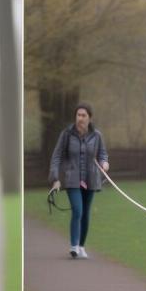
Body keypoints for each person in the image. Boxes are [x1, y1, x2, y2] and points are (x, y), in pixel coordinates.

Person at [48, 102, 109, 259]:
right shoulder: (67, 134)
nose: (80, 118)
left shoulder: (97, 135)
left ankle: (81, 246)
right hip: (72, 179)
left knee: (86, 213)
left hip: (91, 179)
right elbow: (56, 156)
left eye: (83, 115)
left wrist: (104, 163)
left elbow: (102, 154)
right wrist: (55, 178)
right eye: (78, 115)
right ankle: (73, 246)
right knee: (78, 210)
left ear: (90, 118)